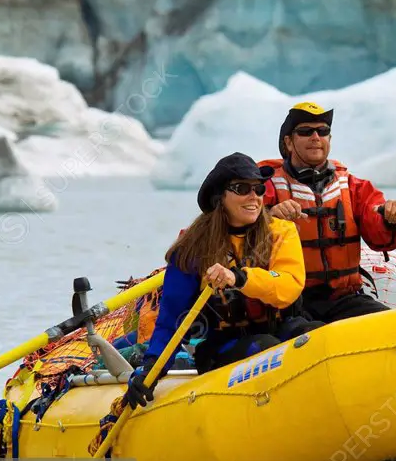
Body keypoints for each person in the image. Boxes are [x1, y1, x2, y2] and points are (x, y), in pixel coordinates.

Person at [125, 152, 321, 409]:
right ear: (220, 198)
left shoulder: (280, 232)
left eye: (259, 189)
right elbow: (171, 320)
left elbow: (287, 286)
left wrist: (239, 278)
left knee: (314, 333)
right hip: (224, 345)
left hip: (279, 327)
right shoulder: (192, 249)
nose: (254, 197)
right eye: (242, 189)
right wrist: (150, 370)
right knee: (267, 349)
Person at [258, 101, 396, 323]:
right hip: (287, 303)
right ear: (289, 142)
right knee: (304, 333)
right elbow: (239, 228)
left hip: (343, 299)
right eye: (305, 131)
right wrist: (270, 216)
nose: (315, 137)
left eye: (323, 131)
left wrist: (393, 218)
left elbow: (382, 238)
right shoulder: (264, 186)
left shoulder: (353, 188)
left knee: (393, 324)